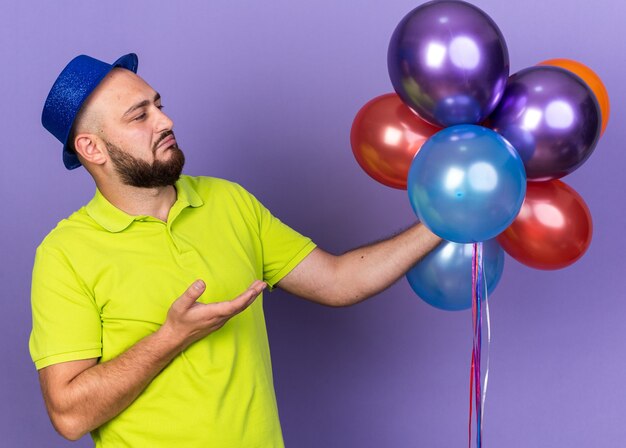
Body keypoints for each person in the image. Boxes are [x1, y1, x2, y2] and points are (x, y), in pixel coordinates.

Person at [30, 53, 440, 447]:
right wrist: (172, 336)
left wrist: (442, 221)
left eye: (158, 105)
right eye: (140, 116)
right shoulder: (66, 253)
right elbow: (69, 417)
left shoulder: (229, 202)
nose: (166, 120)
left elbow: (337, 281)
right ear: (92, 149)